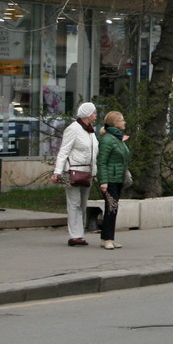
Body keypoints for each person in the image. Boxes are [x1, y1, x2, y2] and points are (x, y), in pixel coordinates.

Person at [51, 101, 99, 247]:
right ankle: (75, 235)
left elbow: (93, 152)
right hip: (73, 171)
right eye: (93, 113)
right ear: (86, 115)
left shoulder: (90, 131)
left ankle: (80, 233)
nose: (96, 115)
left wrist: (95, 171)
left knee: (83, 204)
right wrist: (57, 172)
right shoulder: (73, 129)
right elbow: (64, 151)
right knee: (74, 203)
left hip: (87, 171)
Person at [96, 111, 131, 249]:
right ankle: (107, 239)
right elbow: (102, 162)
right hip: (110, 179)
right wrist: (103, 181)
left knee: (112, 208)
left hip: (117, 178)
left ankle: (108, 237)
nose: (124, 122)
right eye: (121, 120)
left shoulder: (118, 138)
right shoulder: (107, 139)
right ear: (115, 123)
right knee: (111, 208)